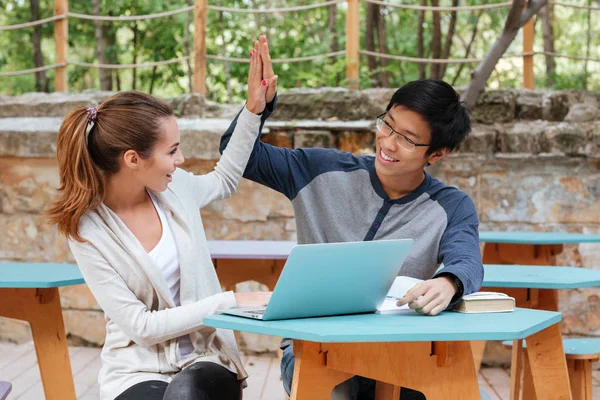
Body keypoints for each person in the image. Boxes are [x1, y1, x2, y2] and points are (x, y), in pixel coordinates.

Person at [220, 38, 483, 400]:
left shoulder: (451, 207)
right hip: (315, 349)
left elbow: (467, 260)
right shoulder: (320, 169)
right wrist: (255, 108)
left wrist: (449, 282)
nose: (388, 143)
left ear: (437, 153)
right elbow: (238, 153)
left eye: (407, 139)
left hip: (398, 353)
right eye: (387, 125)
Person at [45, 38, 276, 400]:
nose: (181, 160)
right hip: (135, 369)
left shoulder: (177, 190)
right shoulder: (87, 231)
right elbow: (141, 327)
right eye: (172, 151)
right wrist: (230, 302)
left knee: (186, 395)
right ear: (133, 159)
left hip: (205, 358)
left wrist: (253, 109)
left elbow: (225, 178)